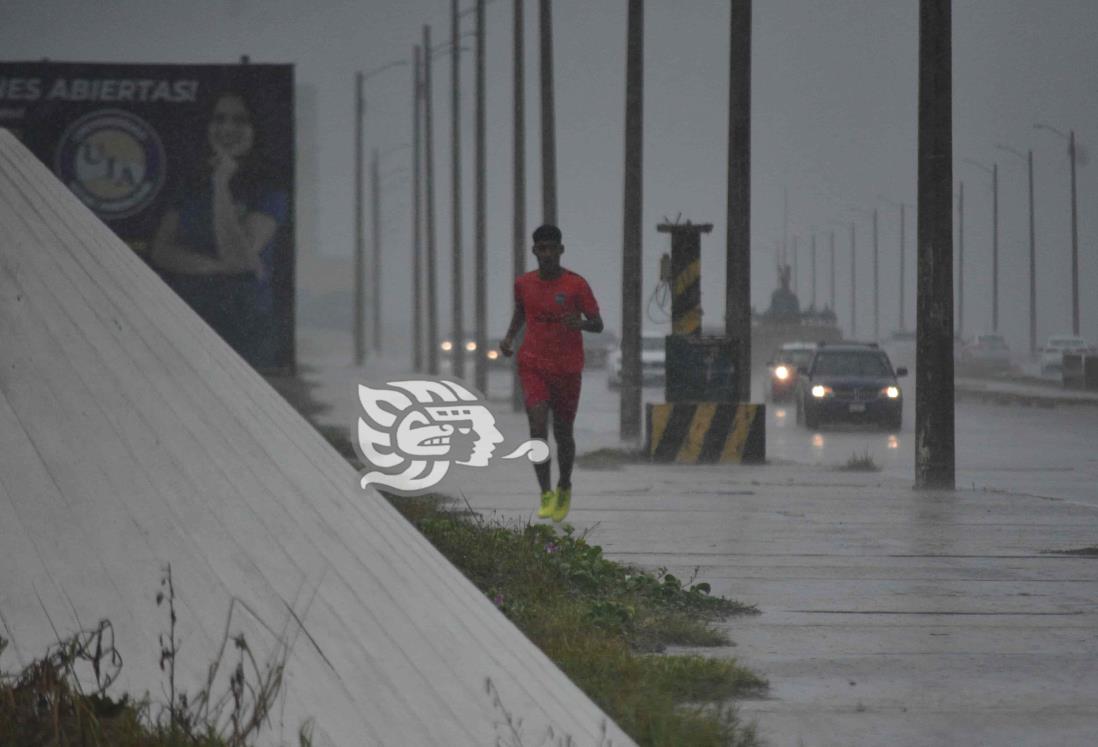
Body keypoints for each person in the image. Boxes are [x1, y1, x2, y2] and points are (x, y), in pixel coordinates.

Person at [150, 90, 289, 368]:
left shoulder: (270, 188)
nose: (228, 128)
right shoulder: (189, 182)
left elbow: (238, 255)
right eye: (219, 119)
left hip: (245, 326)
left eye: (240, 121)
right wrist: (217, 267)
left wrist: (221, 185)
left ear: (255, 129)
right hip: (187, 318)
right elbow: (161, 252)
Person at [499, 224, 603, 522]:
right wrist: (508, 338)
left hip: (567, 368)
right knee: (536, 429)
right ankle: (545, 493)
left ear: (560, 250)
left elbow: (598, 323)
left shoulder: (576, 285)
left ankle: (564, 485)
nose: (546, 254)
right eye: (540, 249)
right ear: (534, 251)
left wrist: (580, 323)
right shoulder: (524, 284)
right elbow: (521, 311)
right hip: (533, 365)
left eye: (551, 249)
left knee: (563, 433)